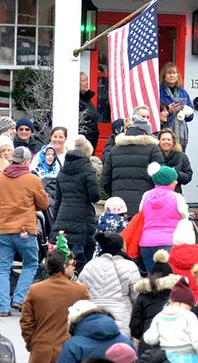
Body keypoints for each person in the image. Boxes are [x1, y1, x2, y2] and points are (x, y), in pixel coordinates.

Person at [20, 252, 89, 363]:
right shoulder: (79, 290)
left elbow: (26, 322)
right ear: (64, 266)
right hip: (68, 352)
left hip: (41, 350)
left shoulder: (35, 290)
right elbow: (88, 319)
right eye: (72, 263)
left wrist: (32, 343)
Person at [0, 146, 49, 315]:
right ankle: (19, 299)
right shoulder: (32, 179)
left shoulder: (0, 177)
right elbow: (43, 204)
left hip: (3, 229)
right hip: (25, 230)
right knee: (30, 264)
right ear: (27, 161)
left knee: (2, 268)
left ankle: (3, 307)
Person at [51, 135, 100, 267]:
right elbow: (95, 196)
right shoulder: (88, 170)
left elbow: (58, 200)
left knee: (65, 256)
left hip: (63, 216)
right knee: (86, 255)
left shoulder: (62, 171)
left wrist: (54, 224)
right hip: (83, 217)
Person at [78, 232, 141, 335]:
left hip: (93, 316)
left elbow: (79, 292)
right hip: (121, 318)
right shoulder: (129, 266)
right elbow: (136, 296)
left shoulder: (90, 266)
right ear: (121, 247)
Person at [100, 113, 160, 215]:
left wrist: (115, 194)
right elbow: (160, 178)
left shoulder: (115, 149)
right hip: (145, 205)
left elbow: (105, 179)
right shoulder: (153, 149)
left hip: (118, 206)